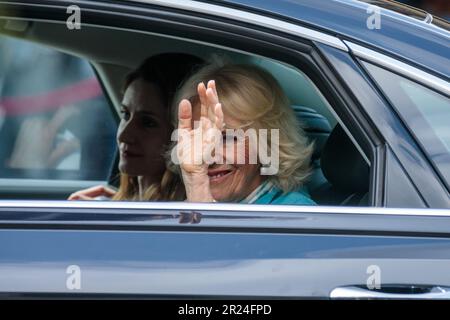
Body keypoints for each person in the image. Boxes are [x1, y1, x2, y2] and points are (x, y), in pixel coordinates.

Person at [171, 61, 316, 205]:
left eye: (228, 138)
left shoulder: (296, 214)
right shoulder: (187, 205)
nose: (209, 156)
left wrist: (200, 201)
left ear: (267, 142)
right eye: (200, 138)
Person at [69, 53, 203, 201]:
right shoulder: (125, 203)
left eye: (148, 123)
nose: (123, 135)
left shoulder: (181, 214)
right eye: (125, 114)